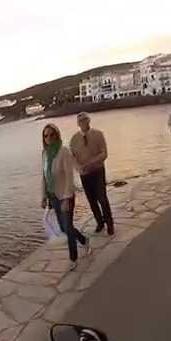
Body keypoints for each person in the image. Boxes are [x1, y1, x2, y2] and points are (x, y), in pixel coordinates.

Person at [41, 123, 90, 270]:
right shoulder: (44, 153)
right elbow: (44, 175)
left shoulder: (64, 152)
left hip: (65, 195)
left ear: (57, 135)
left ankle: (73, 258)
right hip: (53, 196)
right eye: (46, 135)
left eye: (51, 134)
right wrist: (43, 196)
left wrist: (67, 198)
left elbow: (69, 176)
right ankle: (83, 240)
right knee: (63, 227)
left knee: (68, 226)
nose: (49, 138)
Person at [69, 112, 114, 236]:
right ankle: (100, 222)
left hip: (98, 171)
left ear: (89, 120)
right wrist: (78, 168)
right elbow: (72, 157)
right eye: (81, 120)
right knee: (92, 201)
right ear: (78, 124)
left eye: (85, 119)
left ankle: (110, 223)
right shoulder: (74, 139)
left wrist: (90, 163)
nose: (83, 122)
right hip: (84, 174)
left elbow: (104, 153)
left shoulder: (98, 134)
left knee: (102, 198)